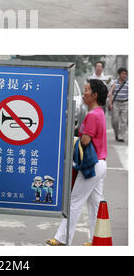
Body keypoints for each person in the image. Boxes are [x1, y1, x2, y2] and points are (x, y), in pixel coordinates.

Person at [46, 79, 108, 246]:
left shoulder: (92, 115)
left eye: (87, 90)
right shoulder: (100, 113)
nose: (84, 93)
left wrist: (70, 140)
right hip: (101, 164)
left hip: (90, 165)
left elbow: (85, 141)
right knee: (94, 203)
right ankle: (96, 240)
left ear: (94, 95)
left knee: (75, 201)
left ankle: (62, 239)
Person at [108, 67, 128, 142]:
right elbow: (110, 94)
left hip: (125, 103)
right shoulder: (114, 83)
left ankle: (121, 136)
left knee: (124, 120)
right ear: (119, 74)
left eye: (126, 74)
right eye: (123, 74)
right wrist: (110, 103)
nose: (124, 75)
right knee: (115, 121)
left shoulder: (128, 83)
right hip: (116, 103)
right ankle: (117, 134)